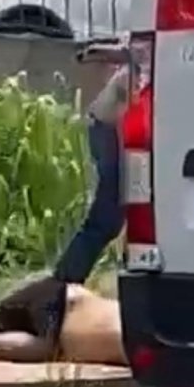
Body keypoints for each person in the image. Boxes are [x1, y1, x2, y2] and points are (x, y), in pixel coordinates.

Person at [53, 58, 130, 286]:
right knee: (107, 217)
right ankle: (65, 281)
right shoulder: (138, 69)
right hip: (108, 132)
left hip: (108, 130)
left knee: (112, 217)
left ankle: (67, 279)